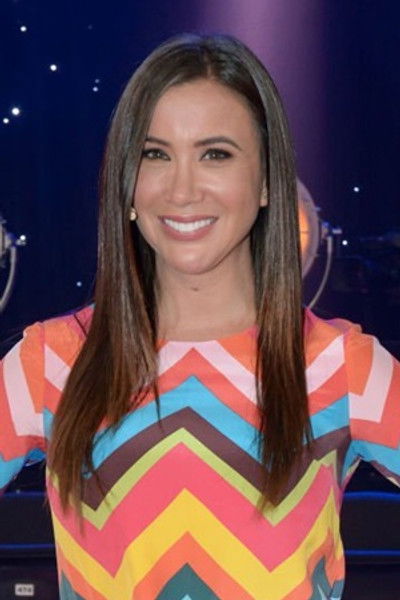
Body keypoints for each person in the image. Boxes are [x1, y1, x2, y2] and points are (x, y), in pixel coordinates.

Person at [0, 33, 399, 600]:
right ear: (126, 183)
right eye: (155, 154)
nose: (182, 190)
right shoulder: (53, 360)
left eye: (216, 154)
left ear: (267, 182)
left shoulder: (339, 364)